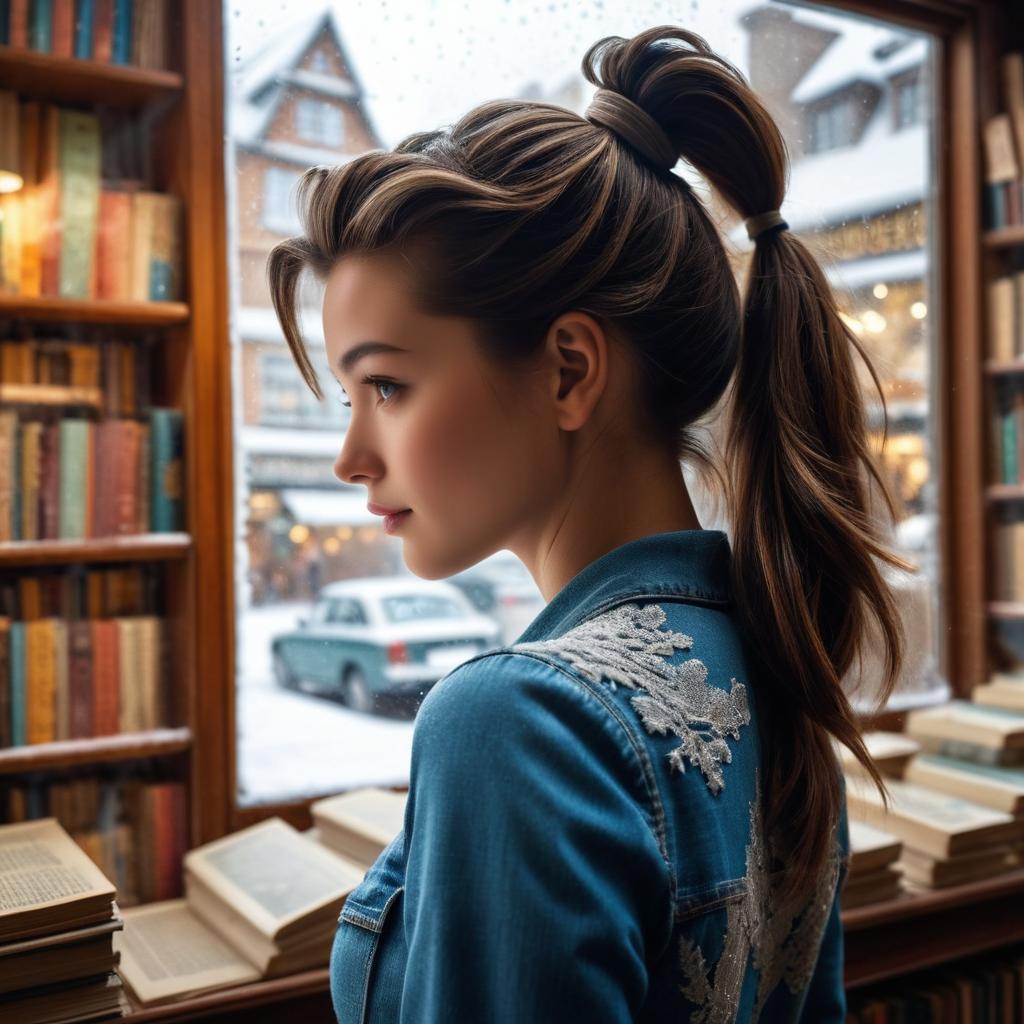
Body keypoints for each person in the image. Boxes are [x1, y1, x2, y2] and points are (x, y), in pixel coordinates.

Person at [267, 25, 912, 1023]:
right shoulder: (774, 657)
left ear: (568, 368)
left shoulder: (518, 724)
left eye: (385, 384)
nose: (351, 456)